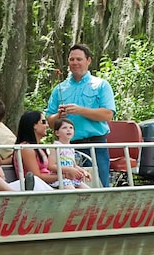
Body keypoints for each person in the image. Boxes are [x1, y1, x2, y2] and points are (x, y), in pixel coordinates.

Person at [46, 44, 116, 188]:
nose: (75, 63)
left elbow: (108, 115)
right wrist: (58, 115)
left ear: (88, 60)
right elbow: (50, 123)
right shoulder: (60, 88)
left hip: (95, 146)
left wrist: (81, 110)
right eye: (72, 59)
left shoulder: (101, 85)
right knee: (71, 187)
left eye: (79, 59)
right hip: (69, 148)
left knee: (100, 186)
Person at [48, 118, 90, 189]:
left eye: (71, 128)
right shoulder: (56, 146)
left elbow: (74, 165)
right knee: (71, 190)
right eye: (64, 128)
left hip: (71, 178)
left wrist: (83, 172)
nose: (68, 130)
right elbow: (51, 166)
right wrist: (69, 170)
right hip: (60, 178)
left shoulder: (71, 147)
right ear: (57, 133)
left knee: (88, 191)